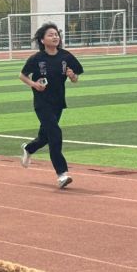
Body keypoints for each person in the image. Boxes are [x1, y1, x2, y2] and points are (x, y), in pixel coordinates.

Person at [18, 22, 84, 189]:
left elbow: (76, 78)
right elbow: (22, 75)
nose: (55, 37)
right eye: (51, 35)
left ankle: (29, 148)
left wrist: (72, 76)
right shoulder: (37, 58)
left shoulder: (66, 56)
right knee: (55, 134)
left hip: (58, 102)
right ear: (42, 40)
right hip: (42, 103)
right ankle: (62, 174)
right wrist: (34, 84)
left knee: (45, 137)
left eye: (56, 34)